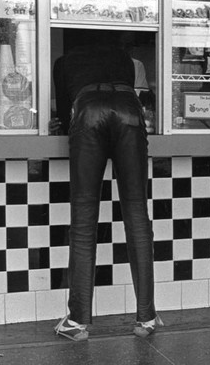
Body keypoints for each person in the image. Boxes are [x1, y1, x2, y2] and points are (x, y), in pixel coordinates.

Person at [52, 43, 163, 341]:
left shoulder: (63, 62)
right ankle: (147, 317)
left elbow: (64, 116)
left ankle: (77, 322)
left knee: (85, 217)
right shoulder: (124, 58)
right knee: (138, 214)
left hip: (88, 111)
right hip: (130, 112)